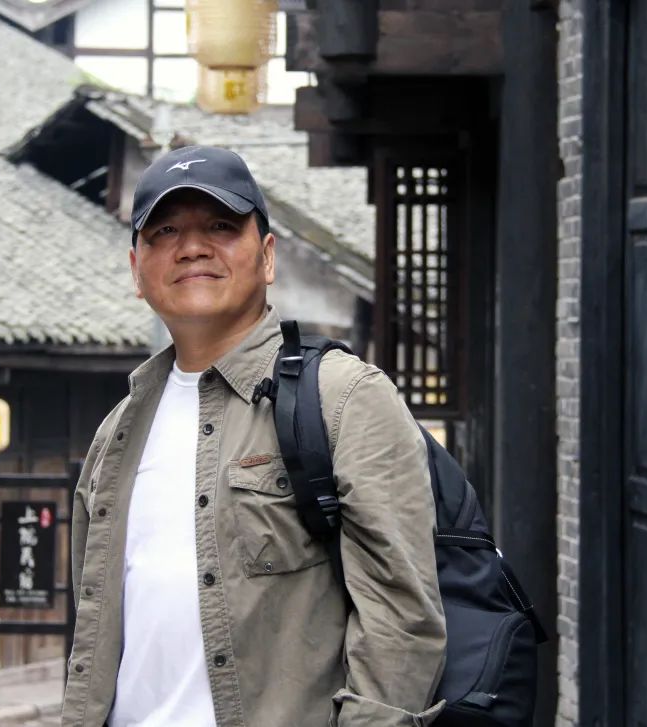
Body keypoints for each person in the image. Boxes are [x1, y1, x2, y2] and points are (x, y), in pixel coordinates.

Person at [61, 145, 446, 727]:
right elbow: (94, 626)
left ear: (267, 257)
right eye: (166, 231)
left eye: (221, 226)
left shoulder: (343, 397)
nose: (192, 247)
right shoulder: (117, 433)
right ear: (137, 269)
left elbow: (402, 619)